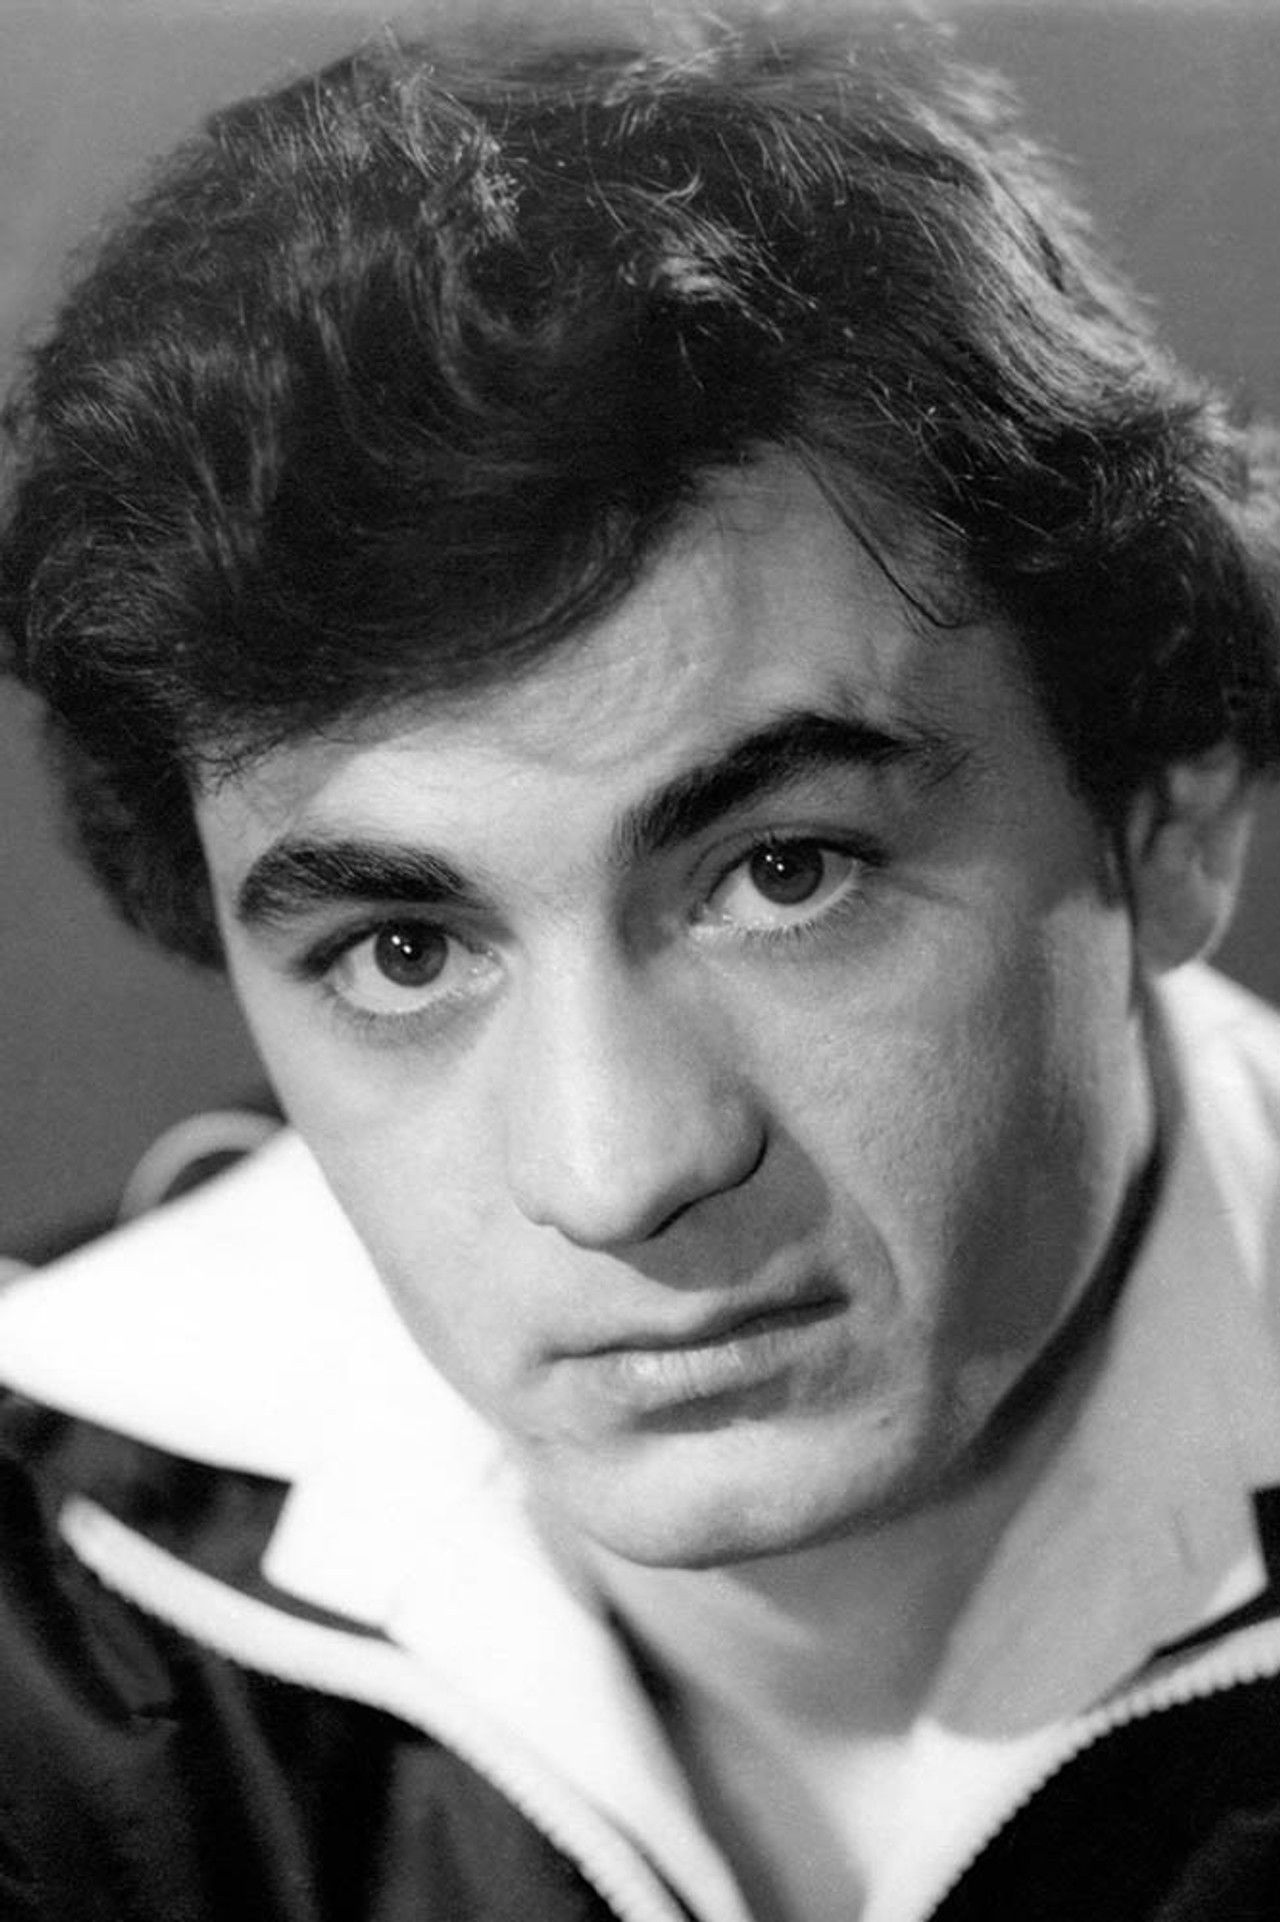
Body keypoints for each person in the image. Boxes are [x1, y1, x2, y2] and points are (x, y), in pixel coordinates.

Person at [2, 14, 1280, 1920]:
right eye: (406, 951)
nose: (618, 1171)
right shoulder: (38, 1600)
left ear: (1171, 820)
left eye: (782, 871)